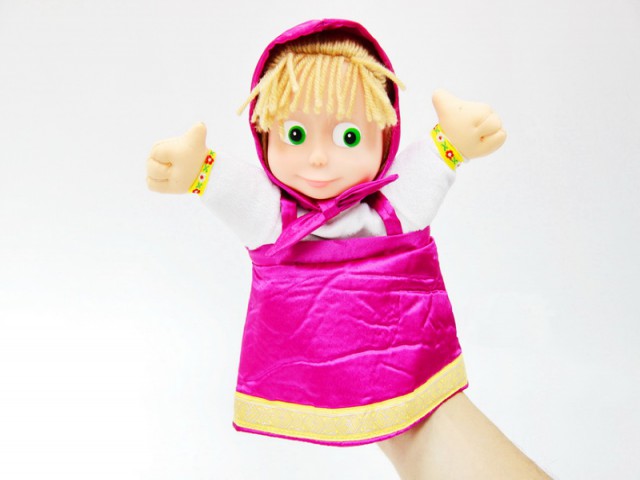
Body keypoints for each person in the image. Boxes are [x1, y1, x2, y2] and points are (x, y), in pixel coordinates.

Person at [147, 18, 549, 479]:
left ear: (386, 135)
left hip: (403, 359)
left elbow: (428, 168)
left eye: (349, 137)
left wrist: (452, 141)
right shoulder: (275, 218)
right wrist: (198, 170)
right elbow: (234, 189)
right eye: (295, 135)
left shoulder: (389, 211)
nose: (318, 158)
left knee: (431, 422)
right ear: (264, 132)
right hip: (307, 360)